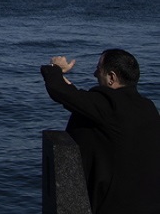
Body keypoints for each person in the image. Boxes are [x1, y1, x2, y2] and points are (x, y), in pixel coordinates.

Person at [41, 49, 160, 214]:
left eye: (99, 69)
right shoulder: (148, 108)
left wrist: (55, 68)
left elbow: (60, 91)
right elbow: (80, 100)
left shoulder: (109, 105)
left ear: (111, 77)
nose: (95, 73)